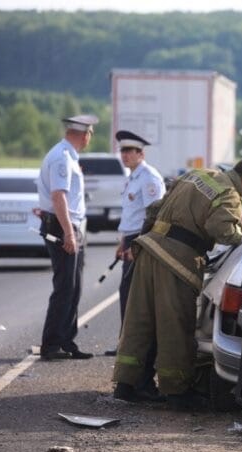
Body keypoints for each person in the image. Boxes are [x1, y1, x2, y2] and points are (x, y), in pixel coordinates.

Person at [112, 157, 242, 409]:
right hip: (175, 261)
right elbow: (223, 231)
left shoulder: (197, 175)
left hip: (149, 249)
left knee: (140, 320)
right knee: (176, 325)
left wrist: (144, 239)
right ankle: (177, 392)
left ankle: (127, 385)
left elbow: (155, 208)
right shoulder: (229, 194)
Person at [37, 114, 99, 360]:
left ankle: (66, 340)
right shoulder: (62, 157)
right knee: (65, 287)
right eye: (90, 134)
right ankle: (52, 344)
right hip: (64, 227)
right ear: (85, 134)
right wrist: (68, 233)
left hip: (69, 225)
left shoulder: (68, 155)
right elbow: (58, 197)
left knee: (73, 287)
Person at [104, 130, 166, 357]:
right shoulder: (133, 177)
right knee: (127, 294)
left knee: (133, 295)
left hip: (142, 239)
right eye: (122, 150)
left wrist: (138, 244)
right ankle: (126, 344)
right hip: (132, 238)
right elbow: (132, 214)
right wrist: (123, 241)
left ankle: (133, 347)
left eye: (129, 151)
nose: (124, 155)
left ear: (141, 153)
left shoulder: (149, 177)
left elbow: (154, 217)